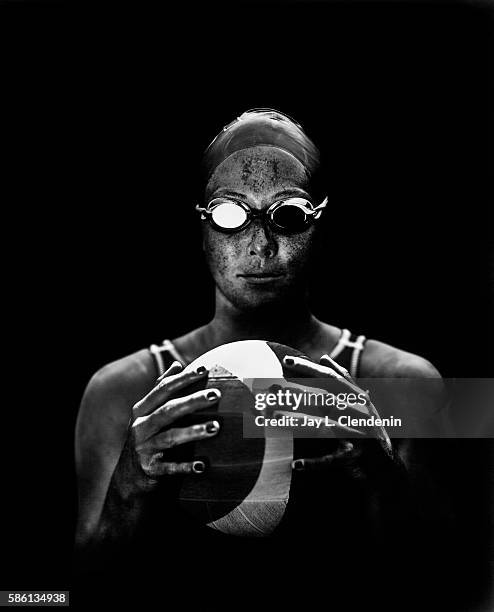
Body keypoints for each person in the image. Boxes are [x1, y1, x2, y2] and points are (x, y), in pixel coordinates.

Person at [74, 109, 449, 607]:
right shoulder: (121, 389)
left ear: (322, 223)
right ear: (202, 224)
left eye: (288, 216)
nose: (260, 246)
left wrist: (385, 480)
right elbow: (76, 588)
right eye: (232, 215)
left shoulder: (405, 382)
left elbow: (453, 579)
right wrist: (126, 487)